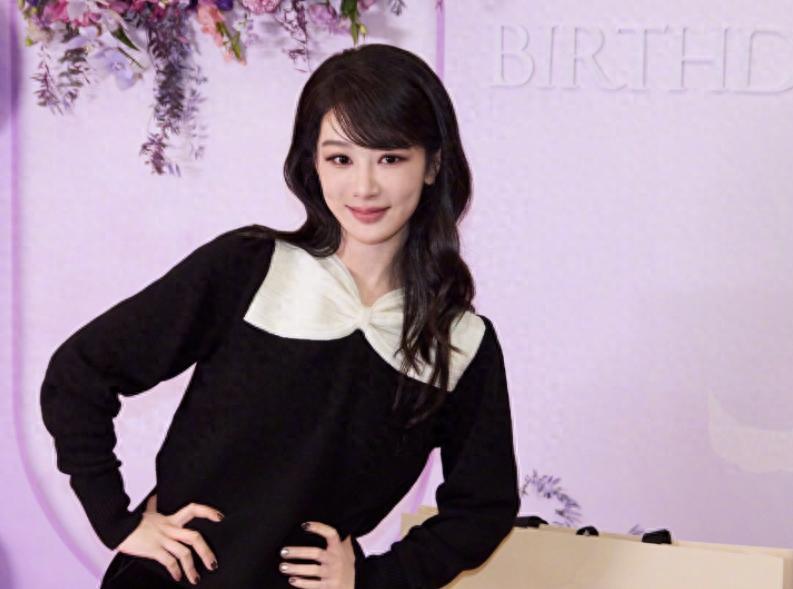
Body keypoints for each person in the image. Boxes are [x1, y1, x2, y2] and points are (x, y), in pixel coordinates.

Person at [40, 43, 521, 589]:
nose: (364, 187)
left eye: (390, 158)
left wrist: (374, 580)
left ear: (432, 164)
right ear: (312, 163)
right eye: (340, 159)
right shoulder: (247, 269)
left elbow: (482, 507)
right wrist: (116, 520)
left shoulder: (459, 342)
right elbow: (80, 373)